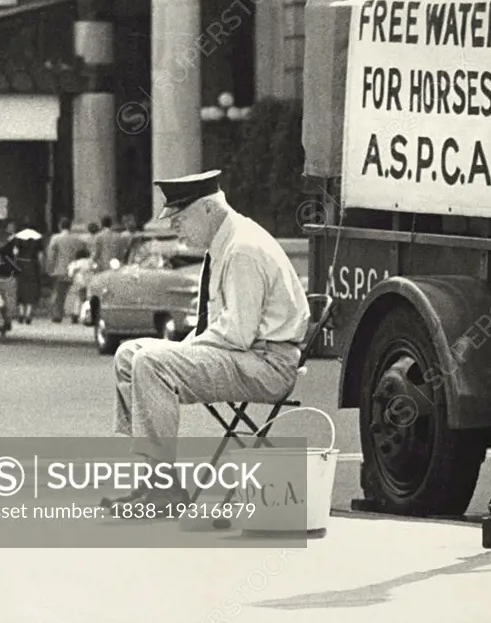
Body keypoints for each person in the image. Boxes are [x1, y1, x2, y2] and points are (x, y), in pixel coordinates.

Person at [102, 170, 309, 511]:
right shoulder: (226, 242)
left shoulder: (242, 249)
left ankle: (162, 490)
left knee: (151, 361)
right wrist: (182, 349)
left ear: (209, 210)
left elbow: (236, 333)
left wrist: (180, 350)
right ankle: (149, 476)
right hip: (249, 355)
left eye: (181, 219)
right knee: (128, 354)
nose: (176, 228)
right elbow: (226, 329)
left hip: (267, 364)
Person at [44, 217, 86, 323]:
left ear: (60, 226)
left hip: (60, 269)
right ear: (70, 226)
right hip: (75, 269)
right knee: (75, 293)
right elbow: (82, 253)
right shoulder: (77, 239)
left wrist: (49, 268)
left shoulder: (56, 238)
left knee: (59, 294)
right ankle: (74, 313)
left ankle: (58, 315)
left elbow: (51, 255)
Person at [2, 222, 43, 325]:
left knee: (20, 287)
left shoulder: (18, 237)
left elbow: (15, 252)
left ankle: (21, 312)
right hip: (32, 264)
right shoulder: (38, 238)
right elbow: (41, 255)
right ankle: (28, 313)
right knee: (31, 288)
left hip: (20, 264)